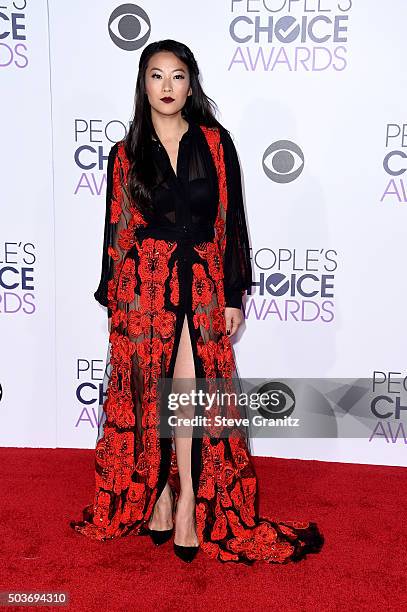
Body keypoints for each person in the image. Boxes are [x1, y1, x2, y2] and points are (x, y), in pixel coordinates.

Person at [70, 39, 324, 564]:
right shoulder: (125, 153)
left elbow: (231, 220)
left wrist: (234, 292)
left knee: (187, 393)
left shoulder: (215, 141)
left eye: (177, 75)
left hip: (204, 283)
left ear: (191, 83)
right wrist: (114, 297)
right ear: (143, 84)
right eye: (156, 75)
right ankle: (158, 495)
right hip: (144, 288)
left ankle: (188, 499)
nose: (167, 86)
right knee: (150, 395)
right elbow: (116, 230)